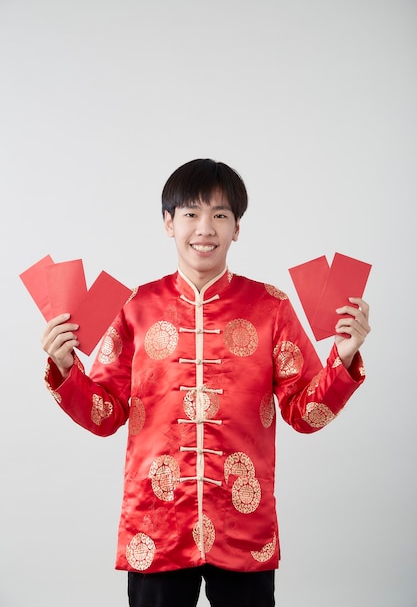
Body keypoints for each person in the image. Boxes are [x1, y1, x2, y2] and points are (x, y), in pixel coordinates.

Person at [41, 158, 371, 607]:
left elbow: (305, 413)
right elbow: (105, 415)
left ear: (237, 228)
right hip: (156, 525)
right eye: (191, 214)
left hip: (242, 522)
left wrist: (344, 356)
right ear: (168, 223)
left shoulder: (271, 306)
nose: (205, 228)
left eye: (220, 215)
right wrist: (65, 369)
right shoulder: (134, 307)